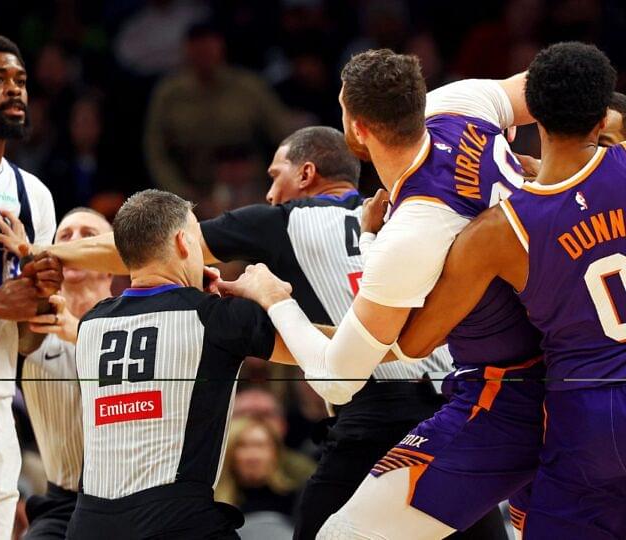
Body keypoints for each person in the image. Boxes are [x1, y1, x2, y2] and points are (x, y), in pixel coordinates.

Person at [33, 126, 503, 538]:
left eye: (275, 176)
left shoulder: (94, 323)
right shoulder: (405, 213)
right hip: (451, 402)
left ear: (306, 175)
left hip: (94, 520)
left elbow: (137, 249)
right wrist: (416, 339)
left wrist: (42, 250)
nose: (271, 194)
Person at [217, 49, 546, 539]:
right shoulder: (462, 103)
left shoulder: (412, 228)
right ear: (420, 100)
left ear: (357, 130)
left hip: (503, 398)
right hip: (569, 365)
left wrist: (273, 296)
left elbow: (337, 380)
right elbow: (547, 86)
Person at [392, 41, 626, 540]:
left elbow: (413, 344)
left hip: (586, 413)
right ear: (603, 118)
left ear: (532, 115)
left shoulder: (498, 231)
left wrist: (377, 238)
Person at [66, 189, 296, 540]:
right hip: (176, 523)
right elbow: (316, 348)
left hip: (88, 524)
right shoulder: (217, 319)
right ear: (183, 243)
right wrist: (267, 298)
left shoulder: (90, 324)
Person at [0, 33, 61, 539]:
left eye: (20, 81)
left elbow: (31, 334)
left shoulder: (33, 196)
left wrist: (39, 297)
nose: (14, 90)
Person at [7, 208, 112, 539]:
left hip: (129, 500)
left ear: (113, 261)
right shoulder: (28, 328)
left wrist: (81, 333)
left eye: (88, 236)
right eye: (64, 237)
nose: (74, 243)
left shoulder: (136, 321)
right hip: (61, 502)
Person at [144, 19, 291, 204]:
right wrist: (180, 193)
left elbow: (283, 138)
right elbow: (156, 151)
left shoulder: (249, 87)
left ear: (221, 47)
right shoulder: (169, 94)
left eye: (210, 46)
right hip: (192, 191)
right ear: (187, 49)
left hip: (252, 188)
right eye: (198, 47)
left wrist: (275, 181)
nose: (204, 53)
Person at [215, 416, 301, 539]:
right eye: (243, 446)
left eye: (260, 445)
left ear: (275, 453)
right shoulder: (215, 506)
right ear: (229, 454)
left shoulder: (296, 500)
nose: (253, 456)